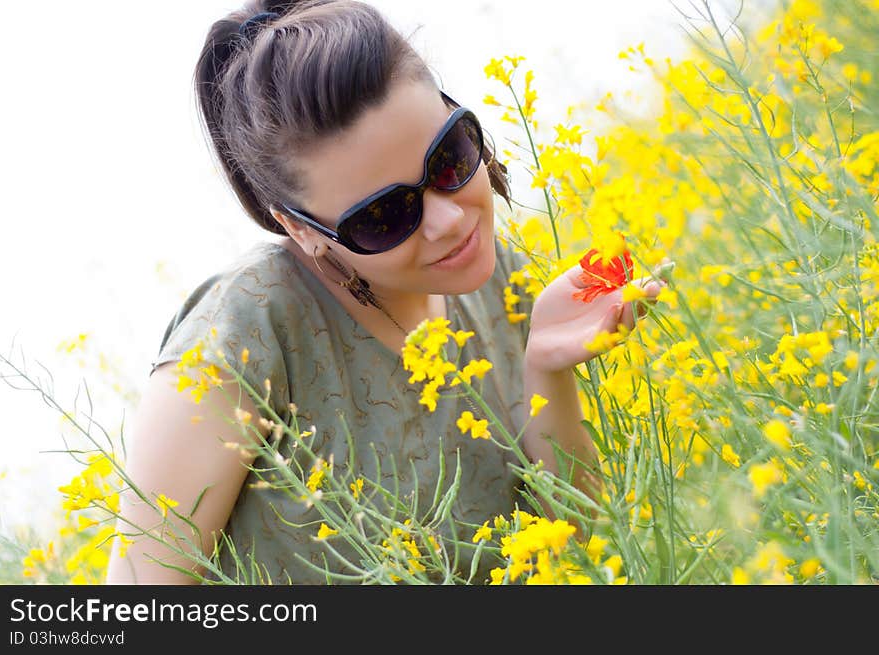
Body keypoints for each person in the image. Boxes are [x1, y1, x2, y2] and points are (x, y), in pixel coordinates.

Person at [105, 0, 663, 585]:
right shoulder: (240, 337)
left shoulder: (502, 278)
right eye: (386, 215)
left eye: (449, 158)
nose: (448, 220)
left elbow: (573, 544)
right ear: (301, 229)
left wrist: (547, 367)